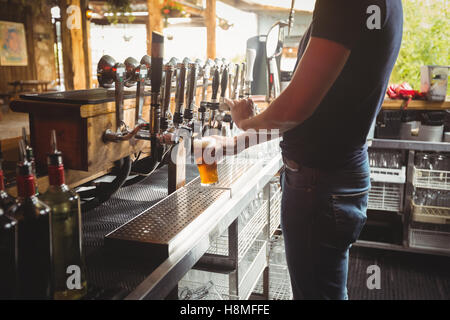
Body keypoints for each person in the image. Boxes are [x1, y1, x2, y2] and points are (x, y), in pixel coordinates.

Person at [215, 0, 403, 300]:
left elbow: (294, 109)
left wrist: (245, 123)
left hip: (319, 184)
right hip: (338, 175)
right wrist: (236, 143)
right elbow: (325, 105)